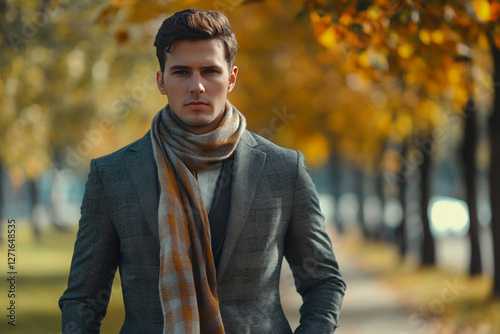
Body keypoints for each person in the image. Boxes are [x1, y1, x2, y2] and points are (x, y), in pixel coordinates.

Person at [59, 8, 345, 334]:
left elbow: (323, 281)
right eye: (181, 72)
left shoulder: (283, 169)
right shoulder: (112, 174)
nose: (197, 86)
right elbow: (83, 298)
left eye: (210, 71)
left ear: (232, 78)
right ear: (161, 81)